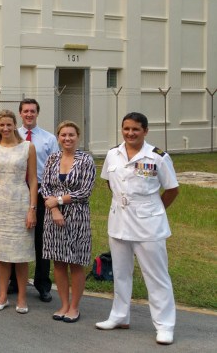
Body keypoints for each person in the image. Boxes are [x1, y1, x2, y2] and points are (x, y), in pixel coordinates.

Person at [95, 112, 179, 346]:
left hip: (148, 224)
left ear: (145, 131)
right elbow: (109, 183)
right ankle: (119, 316)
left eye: (135, 129)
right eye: (126, 128)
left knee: (156, 276)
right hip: (119, 221)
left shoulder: (158, 157)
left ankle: (165, 325)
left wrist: (155, 210)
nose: (130, 133)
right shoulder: (113, 154)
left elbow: (172, 189)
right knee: (121, 272)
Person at [0, 109, 38, 313]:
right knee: (1, 254)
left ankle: (22, 297)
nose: (5, 128)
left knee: (20, 254)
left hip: (20, 203)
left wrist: (32, 209)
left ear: (15, 125)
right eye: (1, 125)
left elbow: (32, 179)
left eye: (8, 125)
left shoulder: (27, 147)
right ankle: (2, 295)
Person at [40, 120, 95, 323]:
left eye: (71, 135)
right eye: (63, 135)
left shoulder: (85, 160)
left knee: (76, 262)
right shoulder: (52, 158)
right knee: (59, 261)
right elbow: (44, 186)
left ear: (77, 136)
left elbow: (85, 191)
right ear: (58, 137)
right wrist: (54, 208)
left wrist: (60, 200)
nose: (67, 138)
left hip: (77, 215)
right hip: (53, 216)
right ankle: (63, 304)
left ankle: (74, 306)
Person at [18, 98, 59, 302]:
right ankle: (14, 283)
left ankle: (43, 284)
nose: (29, 114)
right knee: (17, 238)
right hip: (17, 191)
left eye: (32, 111)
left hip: (42, 191)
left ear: (37, 113)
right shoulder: (12, 135)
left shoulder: (49, 139)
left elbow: (54, 169)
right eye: (25, 111)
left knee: (42, 241)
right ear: (20, 113)